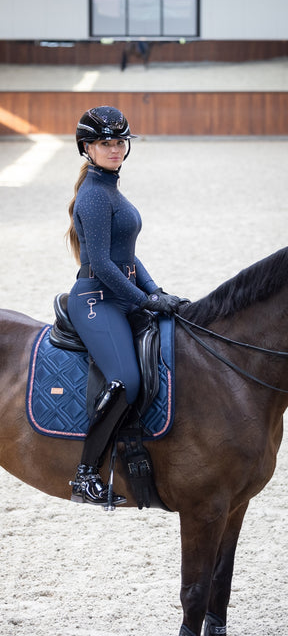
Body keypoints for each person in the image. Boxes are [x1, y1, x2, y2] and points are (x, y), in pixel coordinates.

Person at [66, 105, 180, 506]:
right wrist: (145, 300)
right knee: (125, 381)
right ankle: (84, 474)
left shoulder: (111, 189)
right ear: (87, 148)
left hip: (121, 294)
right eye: (104, 143)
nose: (114, 149)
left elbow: (128, 255)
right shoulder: (95, 196)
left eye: (120, 142)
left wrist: (158, 291)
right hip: (97, 299)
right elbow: (101, 264)